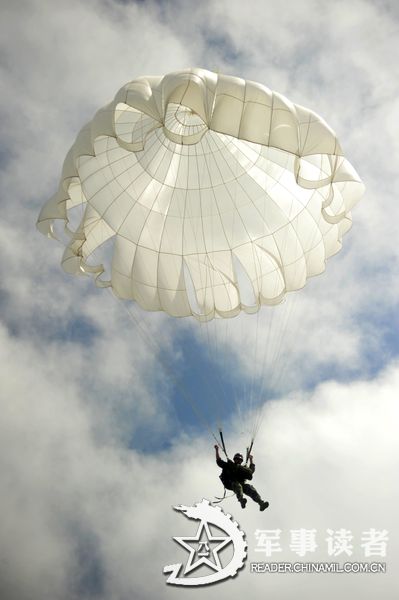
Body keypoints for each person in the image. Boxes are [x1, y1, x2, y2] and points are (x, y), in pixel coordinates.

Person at [214, 444, 269, 510]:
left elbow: (251, 471)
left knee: (250, 488)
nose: (238, 461)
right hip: (230, 483)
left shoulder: (242, 469)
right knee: (238, 485)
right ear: (234, 459)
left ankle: (261, 503)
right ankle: (241, 500)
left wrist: (251, 459)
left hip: (241, 485)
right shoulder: (229, 465)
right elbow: (219, 461)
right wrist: (217, 450)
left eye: (240, 460)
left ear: (241, 461)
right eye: (237, 459)